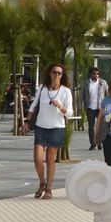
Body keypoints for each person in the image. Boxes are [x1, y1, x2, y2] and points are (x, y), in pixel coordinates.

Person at [29, 63, 74, 198]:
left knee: (50, 159)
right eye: (54, 72)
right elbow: (33, 105)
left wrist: (60, 106)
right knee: (37, 158)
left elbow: (70, 114)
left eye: (59, 73)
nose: (56, 75)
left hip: (56, 127)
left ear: (62, 76)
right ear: (50, 73)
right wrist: (26, 121)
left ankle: (48, 189)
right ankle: (42, 182)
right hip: (41, 126)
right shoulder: (42, 88)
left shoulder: (65, 91)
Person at [83, 67, 107, 151]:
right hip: (90, 108)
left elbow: (107, 95)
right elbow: (81, 96)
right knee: (91, 127)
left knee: (100, 126)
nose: (96, 75)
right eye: (94, 73)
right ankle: (92, 144)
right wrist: (79, 107)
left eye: (97, 74)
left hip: (100, 108)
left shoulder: (103, 83)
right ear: (90, 74)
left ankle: (99, 143)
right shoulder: (86, 83)